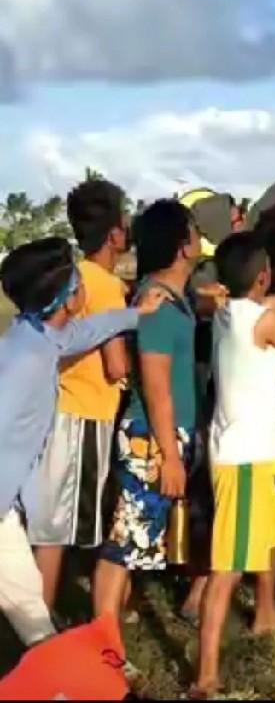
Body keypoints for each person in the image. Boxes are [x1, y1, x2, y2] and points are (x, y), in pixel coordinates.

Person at [0, 237, 163, 647]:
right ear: (66, 298)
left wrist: (137, 315)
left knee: (34, 621)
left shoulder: (37, 333)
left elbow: (86, 330)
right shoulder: (27, 360)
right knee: (35, 624)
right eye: (78, 280)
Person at [192, 232, 275, 698]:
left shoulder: (227, 310)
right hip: (243, 458)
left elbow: (270, 301)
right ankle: (205, 675)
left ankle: (265, 616)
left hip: (250, 450)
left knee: (270, 534)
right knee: (226, 568)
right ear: (263, 276)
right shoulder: (265, 320)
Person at [93, 200, 202, 635]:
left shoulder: (173, 299)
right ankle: (102, 644)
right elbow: (156, 389)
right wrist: (170, 457)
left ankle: (109, 636)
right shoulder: (156, 305)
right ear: (181, 246)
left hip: (163, 436)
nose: (199, 237)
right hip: (152, 438)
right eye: (193, 230)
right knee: (122, 543)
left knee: (136, 539)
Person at [25, 179, 131, 609]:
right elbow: (116, 364)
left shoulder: (69, 276)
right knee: (54, 533)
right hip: (85, 416)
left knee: (51, 524)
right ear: (115, 234)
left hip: (55, 408)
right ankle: (38, 625)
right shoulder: (105, 286)